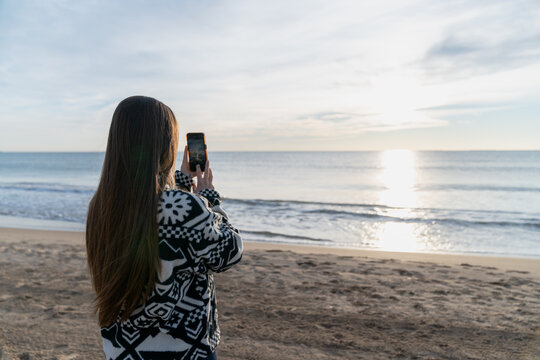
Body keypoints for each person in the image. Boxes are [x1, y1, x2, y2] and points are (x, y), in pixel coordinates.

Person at [86, 95, 243, 360]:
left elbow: (160, 221)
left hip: (122, 351)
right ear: (164, 146)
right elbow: (229, 253)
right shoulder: (182, 207)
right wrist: (210, 200)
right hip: (182, 351)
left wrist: (181, 185)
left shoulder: (102, 206)